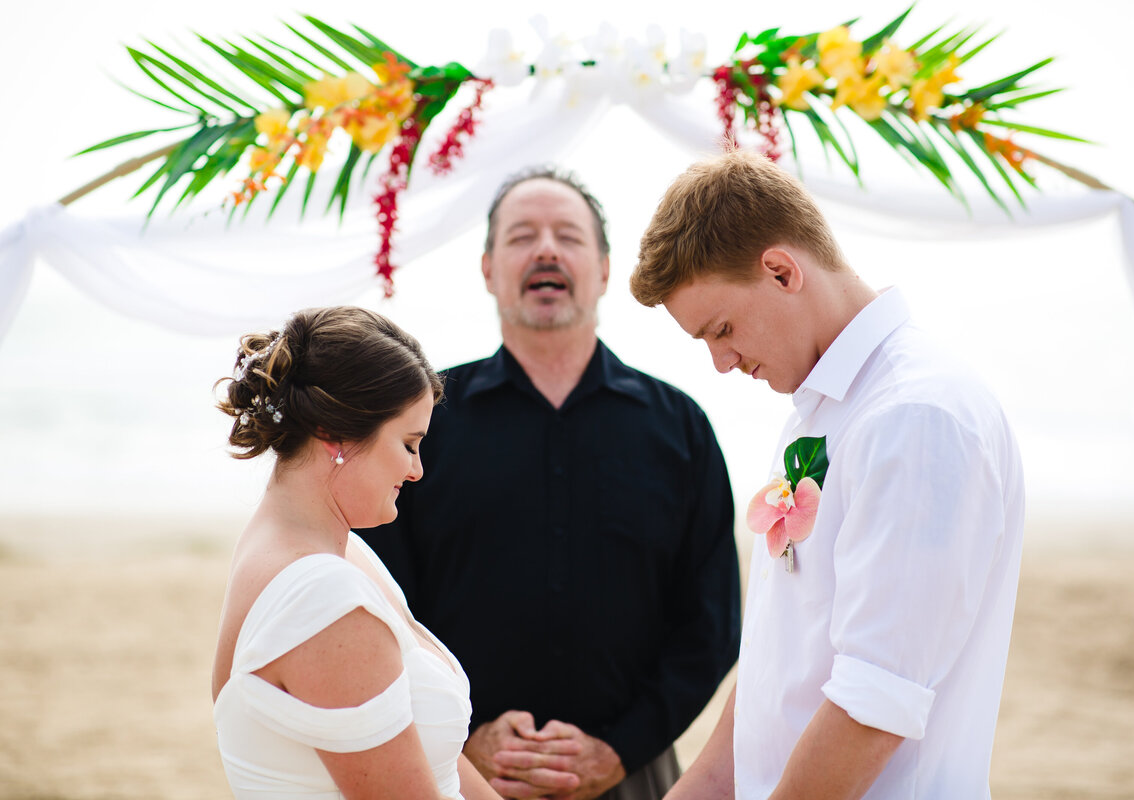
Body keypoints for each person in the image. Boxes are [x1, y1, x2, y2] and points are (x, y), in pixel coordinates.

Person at [629, 150, 1025, 799]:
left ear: (782, 271)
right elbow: (775, 667)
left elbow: (874, 703)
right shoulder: (827, 409)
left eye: (722, 329)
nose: (721, 363)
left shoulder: (915, 418)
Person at [357, 167, 741, 800]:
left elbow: (713, 624)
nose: (545, 249)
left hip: (632, 774)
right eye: (521, 236)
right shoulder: (423, 423)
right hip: (455, 772)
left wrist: (619, 749)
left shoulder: (680, 428)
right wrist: (462, 738)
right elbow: (380, 609)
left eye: (567, 235)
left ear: (605, 268)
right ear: (487, 269)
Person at [210, 306, 501, 800]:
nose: (417, 471)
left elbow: (436, 767)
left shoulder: (326, 552)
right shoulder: (321, 599)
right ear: (334, 434)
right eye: (409, 444)